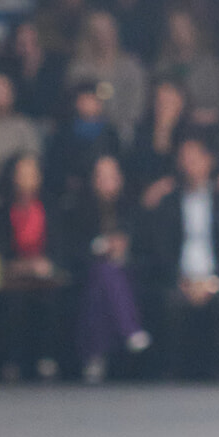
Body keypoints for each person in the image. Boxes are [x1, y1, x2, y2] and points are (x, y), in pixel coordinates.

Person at [144, 135, 219, 379]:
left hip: (215, 276)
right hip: (180, 277)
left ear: (208, 161)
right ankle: (173, 369)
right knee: (166, 300)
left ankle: (218, 369)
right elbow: (161, 248)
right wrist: (182, 280)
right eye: (185, 159)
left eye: (196, 159)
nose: (191, 165)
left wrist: (213, 281)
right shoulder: (168, 202)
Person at [67, 154, 151, 384]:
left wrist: (124, 249)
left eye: (112, 177)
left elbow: (145, 246)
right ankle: (129, 328)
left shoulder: (131, 209)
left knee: (107, 281)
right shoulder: (80, 209)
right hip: (91, 272)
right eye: (102, 177)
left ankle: (94, 355)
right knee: (104, 274)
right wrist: (101, 247)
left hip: (129, 272)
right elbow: (73, 248)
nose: (107, 182)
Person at [0, 153, 67, 381]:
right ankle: (13, 361)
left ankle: (46, 358)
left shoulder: (49, 207)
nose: (27, 179)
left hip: (44, 272)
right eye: (22, 173)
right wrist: (18, 266)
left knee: (51, 296)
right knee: (15, 301)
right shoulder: (3, 210)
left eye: (32, 173)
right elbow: (0, 248)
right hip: (13, 273)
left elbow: (57, 244)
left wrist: (47, 264)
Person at [65, 10, 148, 149]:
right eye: (97, 31)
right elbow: (73, 105)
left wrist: (113, 123)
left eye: (107, 29)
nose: (103, 36)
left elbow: (137, 108)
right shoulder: (79, 69)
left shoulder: (132, 67)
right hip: (87, 131)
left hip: (124, 131)